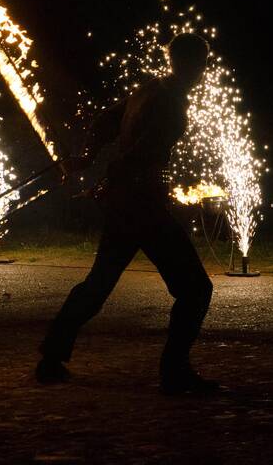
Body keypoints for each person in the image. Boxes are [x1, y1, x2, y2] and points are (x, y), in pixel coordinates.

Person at [37, 32, 217, 395]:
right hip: (142, 205)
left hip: (125, 203)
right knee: (196, 289)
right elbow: (141, 151)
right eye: (202, 63)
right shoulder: (171, 102)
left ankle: (51, 357)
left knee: (99, 283)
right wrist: (113, 176)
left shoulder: (149, 89)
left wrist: (88, 157)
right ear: (196, 64)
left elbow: (106, 121)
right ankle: (174, 371)